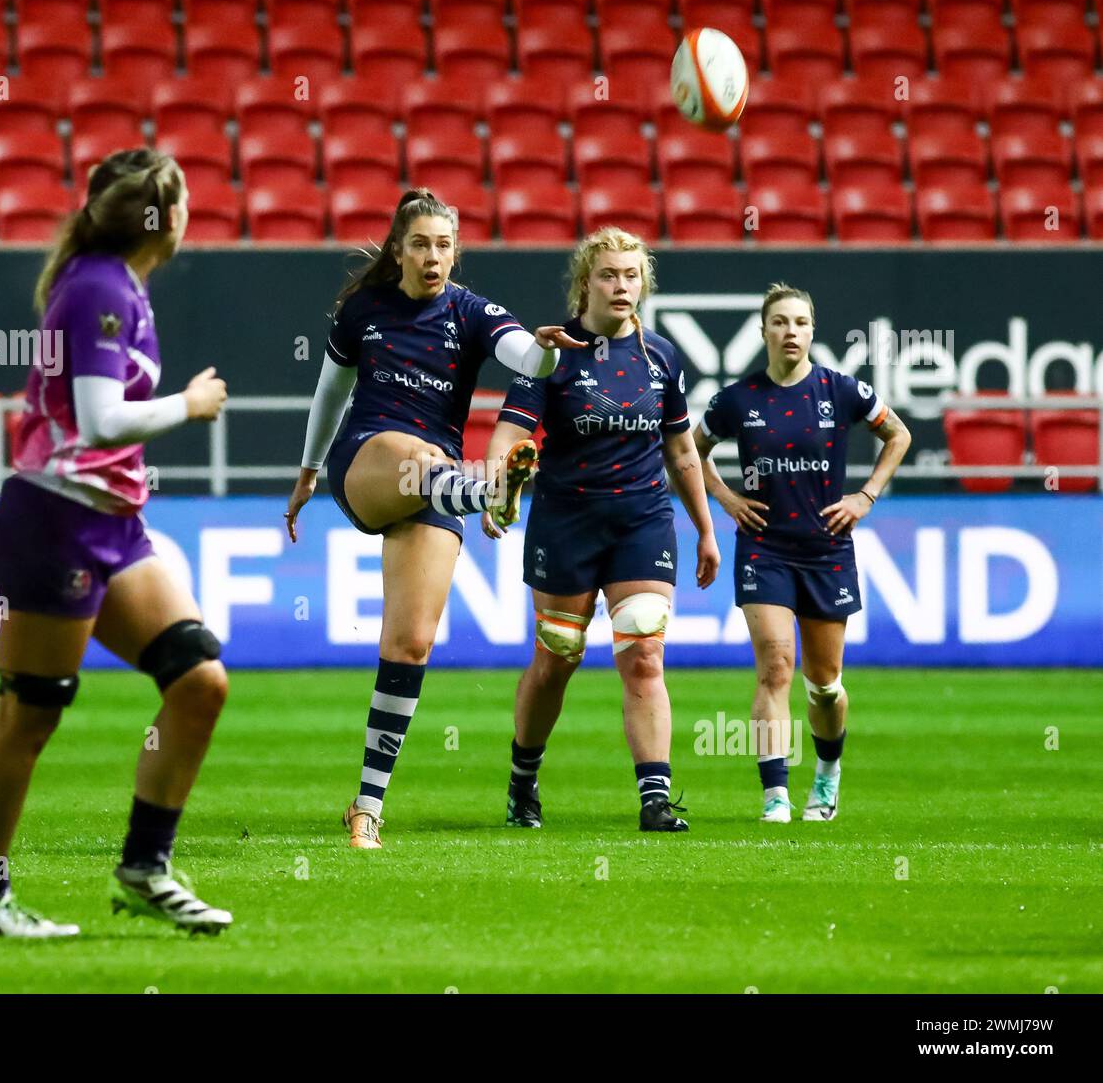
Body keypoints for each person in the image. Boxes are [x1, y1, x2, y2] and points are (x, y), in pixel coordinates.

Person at [0, 149, 234, 937]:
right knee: (30, 715)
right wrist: (190, 403)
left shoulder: (118, 286)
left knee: (198, 680)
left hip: (111, 523)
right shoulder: (100, 289)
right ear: (166, 217)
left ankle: (145, 870)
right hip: (54, 522)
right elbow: (101, 418)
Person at [284, 187, 584, 849]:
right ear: (398, 250)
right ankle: (487, 492)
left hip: (434, 491)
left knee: (410, 643)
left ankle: (366, 805)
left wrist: (547, 352)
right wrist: (307, 472)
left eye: (444, 245)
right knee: (418, 453)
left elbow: (523, 356)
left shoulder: (471, 312)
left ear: (456, 253)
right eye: (420, 243)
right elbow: (330, 392)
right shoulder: (364, 309)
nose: (433, 256)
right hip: (370, 464)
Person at [481, 228, 720, 832]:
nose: (622, 286)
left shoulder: (662, 356)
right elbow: (510, 435)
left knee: (643, 651)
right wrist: (498, 485)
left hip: (642, 520)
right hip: (565, 523)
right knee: (558, 656)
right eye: (609, 275)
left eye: (632, 275)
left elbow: (683, 452)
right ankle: (523, 780)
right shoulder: (551, 352)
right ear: (585, 282)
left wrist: (706, 528)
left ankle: (655, 799)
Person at [693, 283, 911, 822]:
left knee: (825, 686)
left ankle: (828, 774)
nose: (791, 332)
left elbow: (899, 435)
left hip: (826, 550)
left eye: (800, 323)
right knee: (775, 668)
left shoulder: (843, 391)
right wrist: (723, 498)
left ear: (813, 331)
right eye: (780, 322)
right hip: (763, 548)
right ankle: (775, 795)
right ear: (764, 331)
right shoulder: (737, 400)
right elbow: (687, 451)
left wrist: (864, 496)